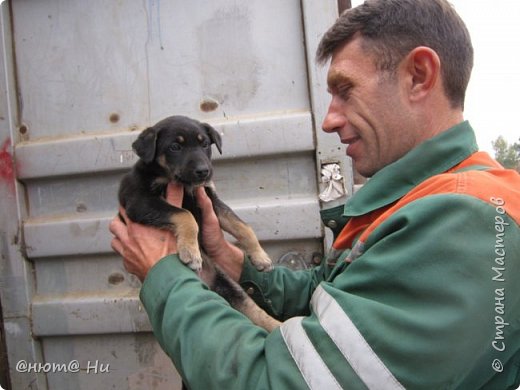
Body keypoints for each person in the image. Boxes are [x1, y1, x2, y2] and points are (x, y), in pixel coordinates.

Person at [109, 0, 520, 388]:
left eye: (345, 90)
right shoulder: (414, 200)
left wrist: (163, 274)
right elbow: (329, 296)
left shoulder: (468, 221)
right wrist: (232, 259)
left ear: (418, 76)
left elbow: (276, 381)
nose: (328, 120)